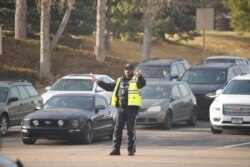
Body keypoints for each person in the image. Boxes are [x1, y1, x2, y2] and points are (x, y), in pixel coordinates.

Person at [91, 64, 146, 156]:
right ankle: (116, 150)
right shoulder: (120, 80)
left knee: (130, 130)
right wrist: (98, 82)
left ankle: (131, 150)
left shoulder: (136, 79)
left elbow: (142, 84)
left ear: (132, 70)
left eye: (129, 69)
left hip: (131, 108)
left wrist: (140, 76)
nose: (127, 71)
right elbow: (109, 87)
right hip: (120, 108)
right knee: (117, 129)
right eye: (126, 69)